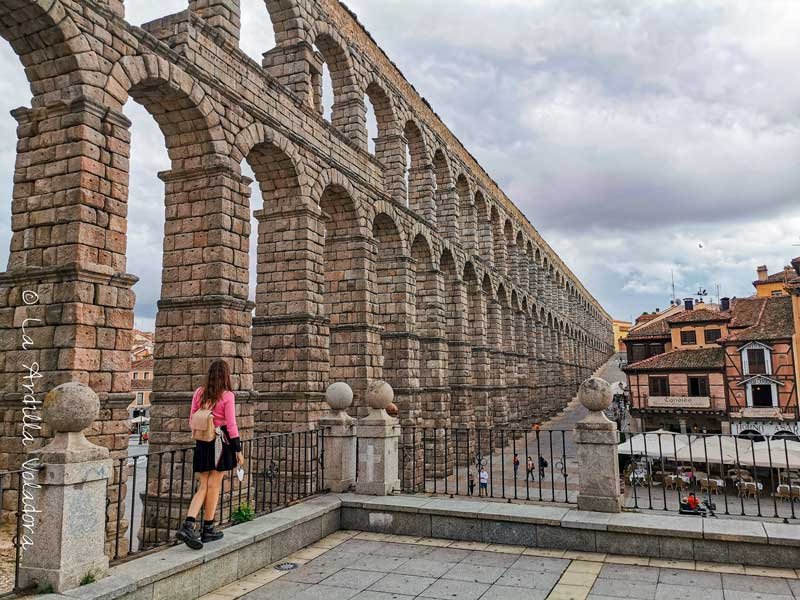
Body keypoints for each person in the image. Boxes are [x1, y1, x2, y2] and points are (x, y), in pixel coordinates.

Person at [175, 360, 245, 550]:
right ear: (226, 376)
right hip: (220, 444)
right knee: (214, 485)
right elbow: (231, 425)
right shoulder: (227, 396)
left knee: (203, 485)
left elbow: (192, 419)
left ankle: (192, 524)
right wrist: (238, 450)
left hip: (202, 443)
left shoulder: (199, 393)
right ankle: (205, 527)